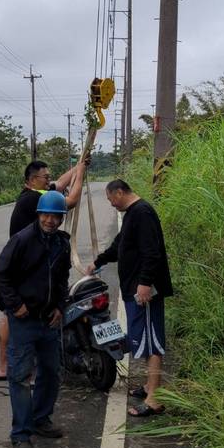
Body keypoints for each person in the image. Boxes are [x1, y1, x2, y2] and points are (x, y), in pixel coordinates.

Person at [0, 190, 71, 448]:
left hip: (48, 320)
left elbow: (62, 278)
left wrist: (60, 305)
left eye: (56, 216)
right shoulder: (22, 240)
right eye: (46, 214)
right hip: (24, 321)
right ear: (38, 214)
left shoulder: (62, 243)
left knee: (52, 371)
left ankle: (40, 418)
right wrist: (15, 305)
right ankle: (21, 435)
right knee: (20, 377)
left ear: (62, 218)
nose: (51, 220)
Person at [86, 179, 173, 417]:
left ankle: (154, 399)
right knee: (142, 338)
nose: (111, 203)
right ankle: (149, 386)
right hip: (134, 290)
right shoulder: (133, 214)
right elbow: (119, 246)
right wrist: (98, 261)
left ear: (119, 192)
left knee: (152, 342)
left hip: (143, 292)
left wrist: (145, 283)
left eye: (110, 199)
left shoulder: (142, 212)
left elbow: (152, 252)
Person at [0, 158, 87, 380]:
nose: (50, 180)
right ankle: (4, 364)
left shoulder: (38, 192)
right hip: (22, 269)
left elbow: (60, 184)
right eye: (45, 177)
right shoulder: (35, 198)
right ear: (31, 180)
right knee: (11, 314)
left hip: (36, 264)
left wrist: (78, 165)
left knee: (26, 314)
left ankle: (23, 357)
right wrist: (81, 174)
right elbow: (70, 199)